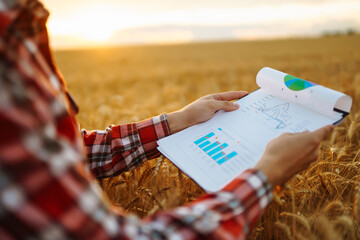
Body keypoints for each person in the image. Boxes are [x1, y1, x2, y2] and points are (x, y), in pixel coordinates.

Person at [0, 0, 334, 239]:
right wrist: (266, 175)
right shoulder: (7, 45)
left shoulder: (20, 23)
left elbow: (62, 153)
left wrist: (178, 121)